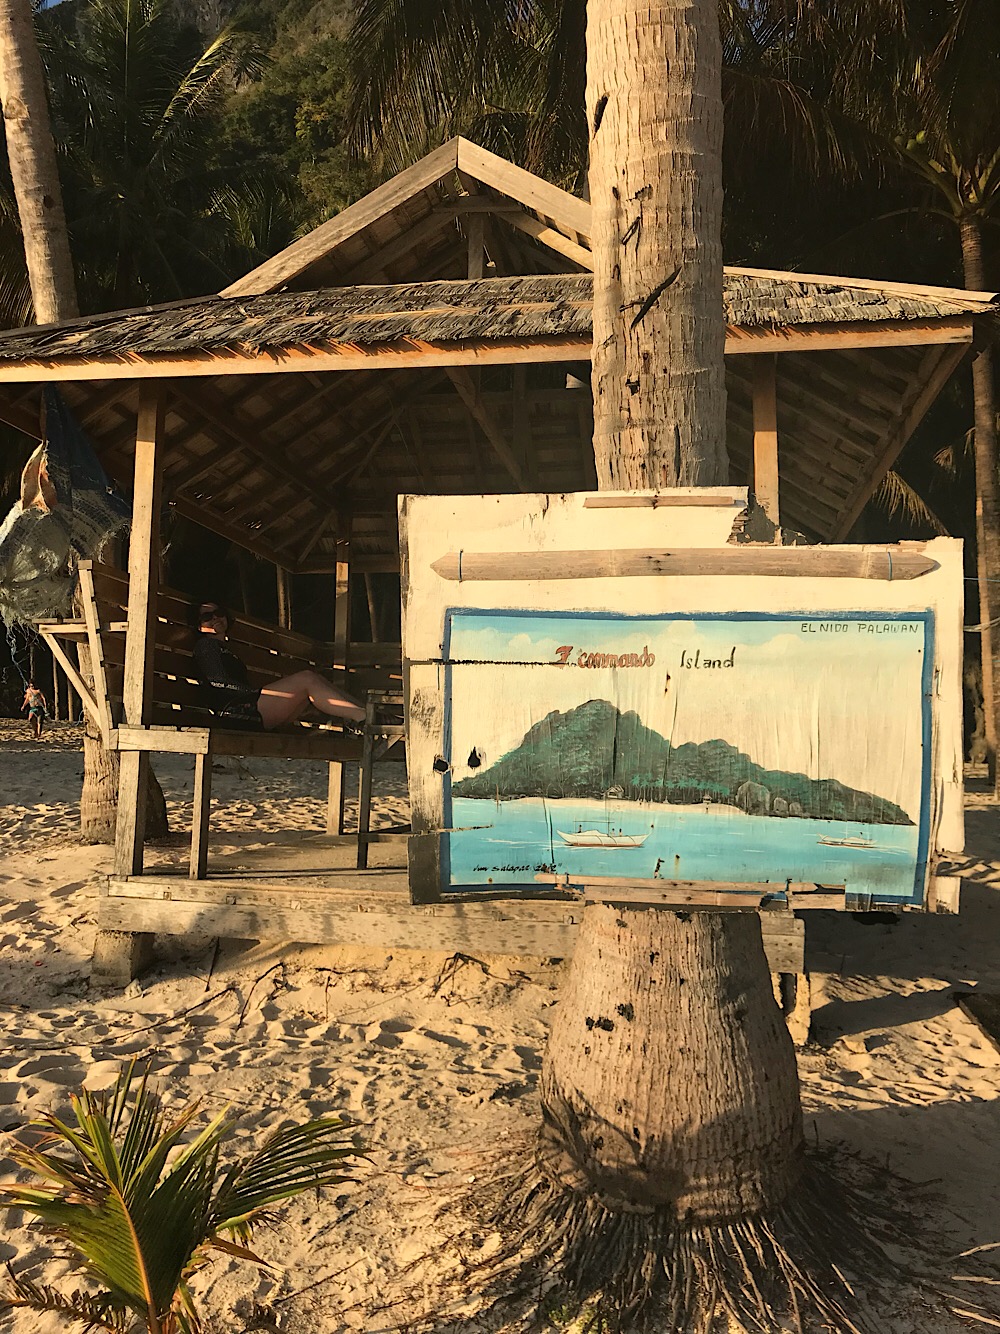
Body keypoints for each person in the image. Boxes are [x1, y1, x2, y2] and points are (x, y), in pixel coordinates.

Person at [190, 601, 366, 730]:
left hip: (244, 710)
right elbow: (218, 681)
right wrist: (254, 693)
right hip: (236, 713)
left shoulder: (221, 648)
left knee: (315, 680)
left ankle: (365, 714)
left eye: (219, 613)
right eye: (207, 617)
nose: (215, 618)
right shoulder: (206, 646)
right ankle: (364, 718)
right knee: (307, 679)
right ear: (199, 626)